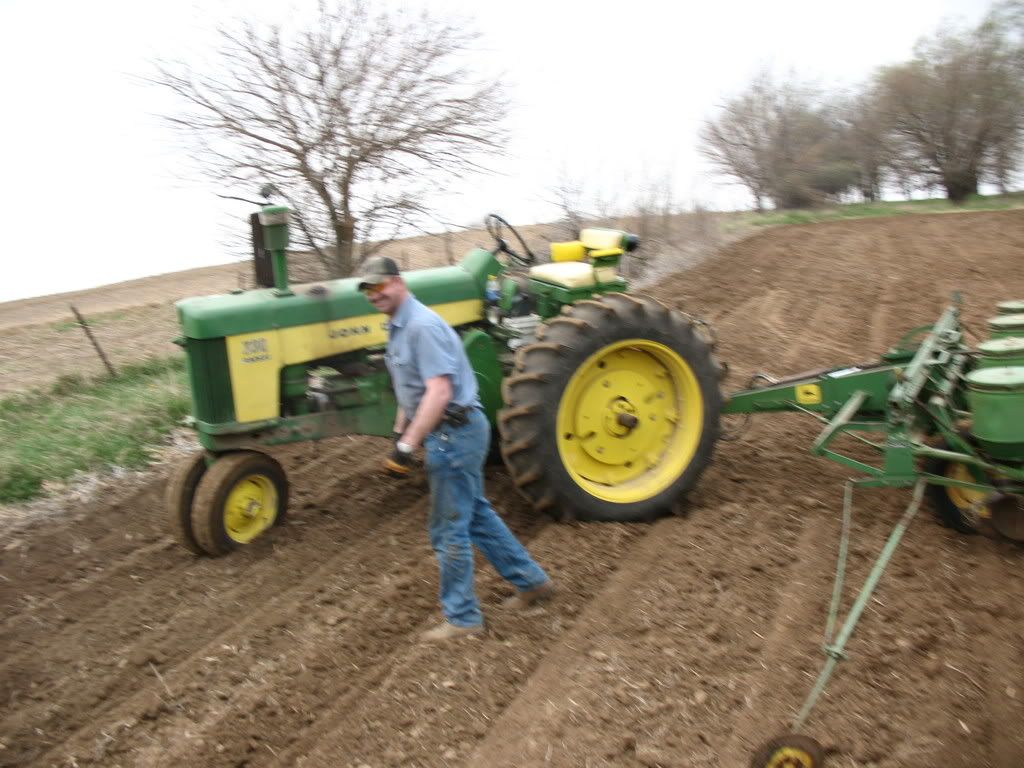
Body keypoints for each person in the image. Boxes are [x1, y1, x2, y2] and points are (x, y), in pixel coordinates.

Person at [358, 256, 554, 642]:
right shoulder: (399, 326)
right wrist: (400, 433)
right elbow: (410, 388)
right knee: (475, 514)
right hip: (452, 432)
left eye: (379, 286)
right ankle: (533, 583)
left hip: (455, 433)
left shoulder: (421, 326)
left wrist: (407, 445)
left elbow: (439, 391)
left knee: (449, 527)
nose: (374, 295)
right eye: (368, 290)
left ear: (398, 282)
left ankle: (463, 618)